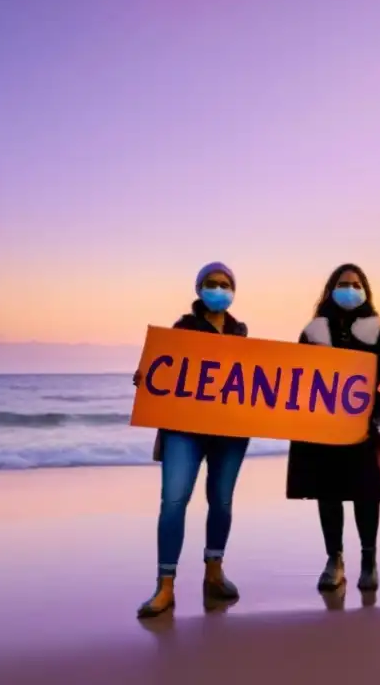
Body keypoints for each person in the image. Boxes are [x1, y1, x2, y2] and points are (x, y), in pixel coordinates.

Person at [133, 262, 251, 619]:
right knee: (173, 501)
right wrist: (146, 377)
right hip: (184, 431)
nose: (218, 288)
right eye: (211, 283)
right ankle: (165, 586)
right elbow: (162, 369)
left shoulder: (241, 333)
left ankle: (213, 574)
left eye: (225, 283)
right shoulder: (181, 329)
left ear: (234, 291)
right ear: (199, 289)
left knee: (222, 501)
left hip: (229, 432)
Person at [286, 263, 380, 594]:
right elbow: (296, 377)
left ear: (365, 291)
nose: (350, 289)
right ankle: (335, 560)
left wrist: (374, 419)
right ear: (331, 289)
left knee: (366, 494)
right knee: (328, 494)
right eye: (344, 283)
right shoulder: (314, 329)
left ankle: (369, 560)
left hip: (363, 427)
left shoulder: (376, 329)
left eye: (356, 284)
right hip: (322, 428)